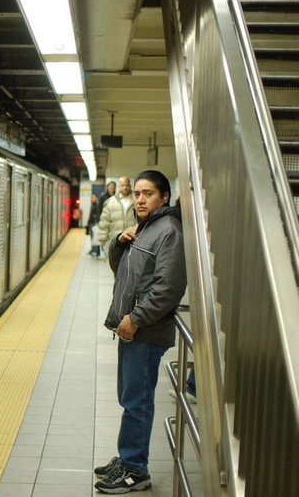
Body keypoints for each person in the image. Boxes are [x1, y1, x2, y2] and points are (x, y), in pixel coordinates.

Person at [94, 170, 187, 494]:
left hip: (144, 330)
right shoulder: (146, 229)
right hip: (132, 328)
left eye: (148, 193)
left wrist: (136, 318)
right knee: (129, 397)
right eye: (136, 193)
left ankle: (136, 469)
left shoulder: (169, 231)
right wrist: (119, 243)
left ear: (164, 197)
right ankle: (128, 456)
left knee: (137, 401)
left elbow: (168, 287)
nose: (140, 199)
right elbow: (123, 272)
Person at [96, 176, 135, 259]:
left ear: (130, 186)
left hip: (133, 242)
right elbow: (105, 222)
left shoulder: (136, 201)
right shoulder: (110, 202)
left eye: (127, 185)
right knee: (116, 267)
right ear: (119, 187)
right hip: (116, 241)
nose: (125, 187)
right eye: (122, 185)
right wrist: (102, 240)